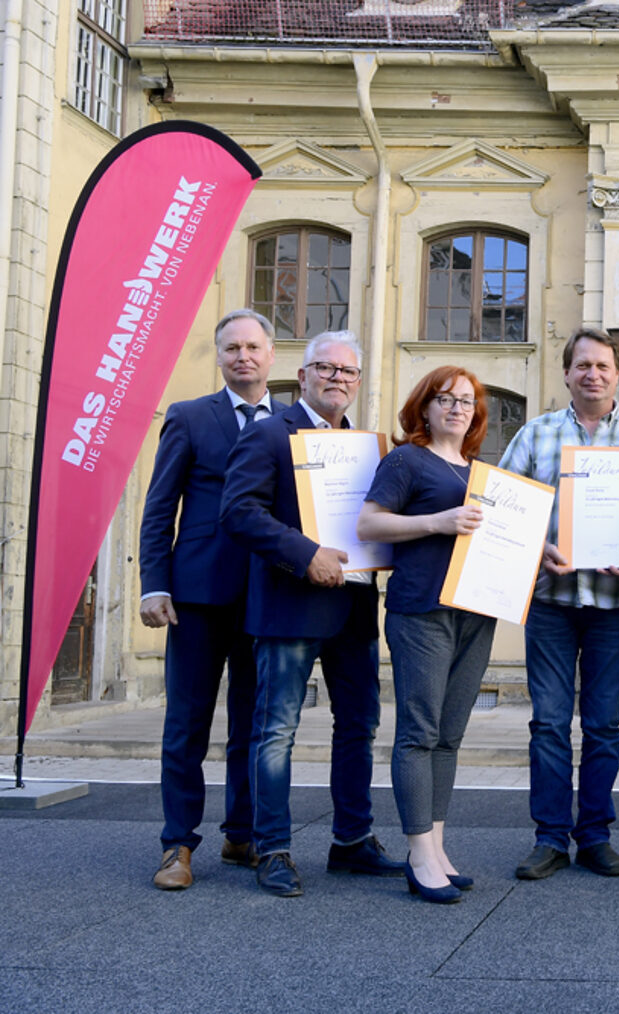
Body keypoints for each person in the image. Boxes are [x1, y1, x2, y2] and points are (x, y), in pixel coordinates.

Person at [220, 330, 405, 897]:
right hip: (290, 606)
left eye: (348, 372)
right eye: (326, 368)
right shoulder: (269, 434)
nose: (337, 380)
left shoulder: (367, 447)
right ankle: (271, 848)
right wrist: (306, 556)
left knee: (359, 726)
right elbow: (239, 512)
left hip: (351, 606)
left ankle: (351, 840)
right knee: (276, 730)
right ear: (302, 376)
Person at [499, 326, 619, 881]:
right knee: (548, 724)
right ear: (568, 373)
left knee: (602, 725)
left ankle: (595, 835)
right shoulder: (536, 434)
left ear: (616, 374)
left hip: (616, 605)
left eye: (603, 366)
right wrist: (537, 548)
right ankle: (549, 837)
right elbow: (504, 509)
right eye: (583, 366)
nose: (593, 374)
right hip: (550, 600)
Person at [140, 309, 282, 890]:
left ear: (271, 354)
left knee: (253, 723)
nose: (243, 356)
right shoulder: (190, 417)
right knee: (187, 723)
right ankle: (178, 845)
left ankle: (241, 834)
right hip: (196, 595)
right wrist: (155, 582)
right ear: (218, 355)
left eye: (252, 346)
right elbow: (158, 505)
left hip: (268, 595)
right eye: (231, 348)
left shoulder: (292, 425)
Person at [357, 367, 493, 905]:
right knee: (418, 729)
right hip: (422, 610)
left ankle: (436, 846)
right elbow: (370, 524)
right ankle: (417, 853)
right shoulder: (406, 460)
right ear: (425, 406)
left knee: (450, 734)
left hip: (476, 612)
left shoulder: (482, 471)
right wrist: (438, 522)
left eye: (466, 401)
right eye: (445, 399)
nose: (457, 408)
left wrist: (536, 552)